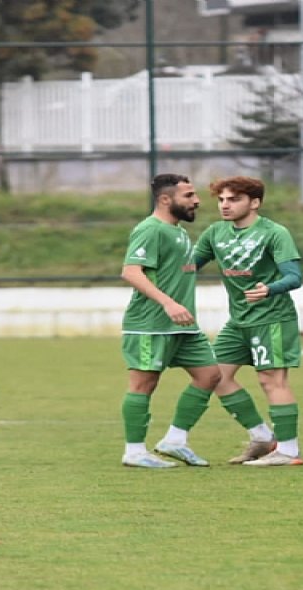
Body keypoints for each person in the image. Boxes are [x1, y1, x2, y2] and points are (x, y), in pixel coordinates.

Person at [194, 176, 303, 466]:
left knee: (271, 380)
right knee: (213, 375)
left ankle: (289, 451)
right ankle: (263, 437)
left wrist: (270, 288)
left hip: (272, 319)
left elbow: (294, 277)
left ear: (254, 202)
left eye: (233, 199)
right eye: (221, 200)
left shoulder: (274, 233)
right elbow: (188, 265)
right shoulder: (215, 232)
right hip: (239, 320)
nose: (225, 205)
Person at [119, 174, 222, 469]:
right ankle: (135, 451)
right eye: (189, 195)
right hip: (151, 323)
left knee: (210, 376)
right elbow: (131, 271)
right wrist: (169, 303)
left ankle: (175, 441)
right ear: (166, 199)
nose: (197, 201)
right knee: (143, 384)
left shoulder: (177, 231)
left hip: (183, 325)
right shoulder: (150, 230)